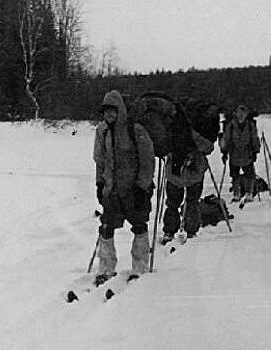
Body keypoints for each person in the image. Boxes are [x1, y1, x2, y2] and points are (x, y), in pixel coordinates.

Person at [93, 90, 155, 285]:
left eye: (112, 111)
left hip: (134, 190)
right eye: (106, 112)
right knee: (106, 227)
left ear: (120, 110)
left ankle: (140, 267)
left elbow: (147, 161)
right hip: (112, 190)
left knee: (138, 226)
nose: (109, 115)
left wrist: (142, 187)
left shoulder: (135, 130)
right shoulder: (102, 131)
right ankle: (106, 268)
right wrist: (100, 183)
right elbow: (100, 161)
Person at [160, 107, 215, 244]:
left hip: (174, 173)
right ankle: (191, 230)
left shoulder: (171, 131)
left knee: (172, 203)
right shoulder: (194, 133)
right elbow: (208, 148)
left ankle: (169, 230)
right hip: (194, 173)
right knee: (192, 203)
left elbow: (162, 148)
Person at [220, 105, 261, 202]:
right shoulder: (231, 126)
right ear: (235, 114)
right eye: (239, 113)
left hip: (247, 153)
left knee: (250, 174)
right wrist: (224, 152)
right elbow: (226, 139)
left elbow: (254, 138)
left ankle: (249, 192)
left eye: (243, 114)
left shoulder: (250, 125)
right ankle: (236, 193)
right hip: (234, 153)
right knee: (235, 175)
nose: (241, 116)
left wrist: (255, 151)